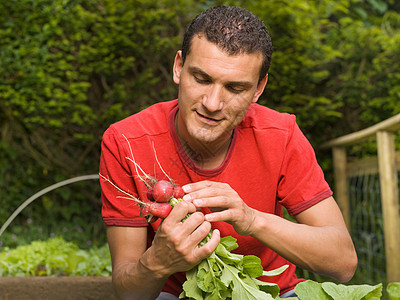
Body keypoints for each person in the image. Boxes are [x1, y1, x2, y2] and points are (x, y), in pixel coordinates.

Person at [99, 5, 357, 300]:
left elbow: (343, 262)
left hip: (271, 293)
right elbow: (128, 293)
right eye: (201, 78)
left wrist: (251, 220)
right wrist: (157, 264)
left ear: (259, 88)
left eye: (235, 88)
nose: (212, 103)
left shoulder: (281, 135)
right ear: (178, 68)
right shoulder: (126, 141)